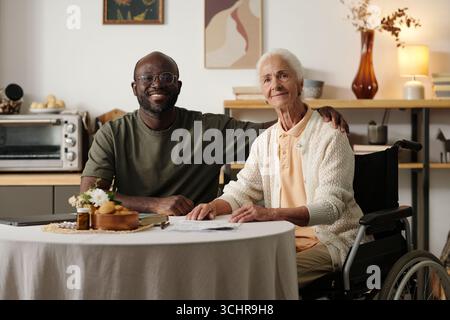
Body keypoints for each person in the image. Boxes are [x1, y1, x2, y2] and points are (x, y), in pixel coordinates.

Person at [81, 51, 348, 216]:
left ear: (178, 85)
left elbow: (267, 133)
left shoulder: (208, 130)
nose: (157, 84)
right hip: (132, 233)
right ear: (134, 87)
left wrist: (309, 113)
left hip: (197, 236)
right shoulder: (113, 134)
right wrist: (154, 205)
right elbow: (89, 196)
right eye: (147, 78)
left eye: (166, 77)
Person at [186, 48, 363, 289]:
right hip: (280, 241)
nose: (276, 84)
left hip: (331, 243)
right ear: (264, 93)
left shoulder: (330, 136)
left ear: (300, 83)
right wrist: (212, 207)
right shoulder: (265, 142)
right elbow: (243, 190)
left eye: (283, 76)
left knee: (261, 280)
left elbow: (330, 208)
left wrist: (269, 214)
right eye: (267, 79)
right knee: (223, 271)